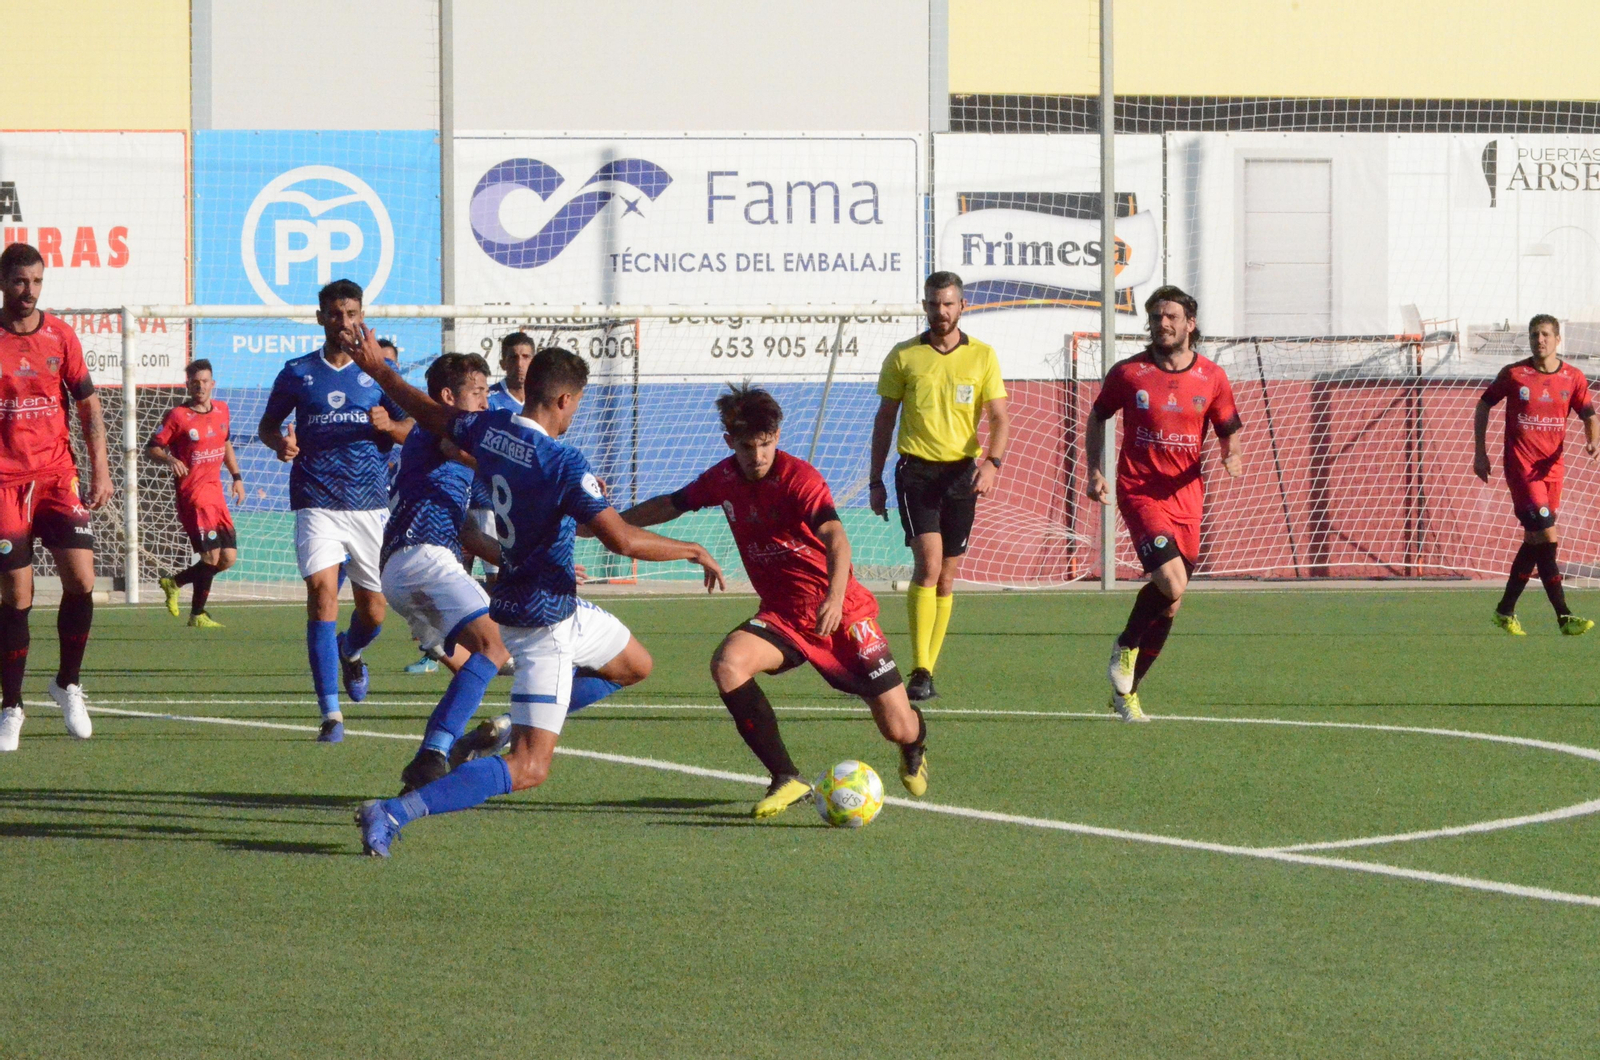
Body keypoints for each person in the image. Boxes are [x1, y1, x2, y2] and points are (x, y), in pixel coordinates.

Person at [348, 336, 724, 857]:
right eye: (579, 404)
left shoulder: (489, 428)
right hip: (541, 623)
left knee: (634, 664)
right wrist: (690, 548)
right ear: (565, 400)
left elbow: (429, 412)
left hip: (554, 603)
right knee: (529, 768)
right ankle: (393, 811)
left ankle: (503, 726)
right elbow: (618, 538)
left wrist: (382, 373)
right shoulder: (562, 462)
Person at [616, 384, 928, 818]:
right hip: (784, 617)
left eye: (765, 444)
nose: (757, 455)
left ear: (777, 436)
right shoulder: (722, 479)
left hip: (843, 613)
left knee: (896, 726)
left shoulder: (800, 479)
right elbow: (671, 504)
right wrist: (608, 524)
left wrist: (834, 598)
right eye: (747, 446)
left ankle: (915, 745)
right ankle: (786, 775)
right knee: (728, 664)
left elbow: (836, 537)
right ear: (730, 442)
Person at [257, 279, 413, 742]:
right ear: (321, 317)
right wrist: (279, 443)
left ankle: (350, 651)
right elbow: (268, 426)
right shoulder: (297, 372)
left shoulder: (381, 372)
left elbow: (415, 426)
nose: (345, 323)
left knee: (376, 611)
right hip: (316, 499)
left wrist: (392, 424)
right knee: (322, 595)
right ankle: (331, 715)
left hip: (370, 504)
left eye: (352, 314)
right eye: (335, 314)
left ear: (361, 315)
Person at [1086, 285, 1243, 721]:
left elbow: (1228, 427)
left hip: (1187, 498)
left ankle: (1127, 694)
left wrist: (1233, 455)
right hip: (1140, 491)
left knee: (1171, 601)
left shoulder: (1211, 377)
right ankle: (1124, 647)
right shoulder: (1129, 373)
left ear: (1190, 323)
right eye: (1156, 317)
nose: (1163, 324)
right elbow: (1099, 414)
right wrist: (1094, 470)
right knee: (1171, 583)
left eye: (1171, 316)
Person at [375, 352, 520, 794]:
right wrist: (536, 473)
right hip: (424, 559)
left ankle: (436, 771)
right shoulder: (439, 430)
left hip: (403, 567)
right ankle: (433, 754)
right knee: (496, 646)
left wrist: (520, 562)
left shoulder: (439, 459)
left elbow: (468, 534)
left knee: (484, 663)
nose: (485, 402)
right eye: (477, 393)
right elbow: (466, 450)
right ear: (446, 397)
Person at [869, 271, 1009, 702]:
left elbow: (1001, 418)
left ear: (962, 306)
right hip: (916, 472)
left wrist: (992, 464)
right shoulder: (904, 356)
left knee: (947, 578)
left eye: (948, 304)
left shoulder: (983, 356)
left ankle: (928, 669)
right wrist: (875, 480)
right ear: (925, 306)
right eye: (933, 304)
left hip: (961, 475)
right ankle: (920, 667)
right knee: (928, 565)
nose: (940, 311)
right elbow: (884, 420)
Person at [0, 242, 112, 752]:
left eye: (37, 282)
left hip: (57, 475)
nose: (29, 291)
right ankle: (12, 707)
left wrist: (101, 470)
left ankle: (67, 684)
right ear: (4, 282)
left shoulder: (60, 336)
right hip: (5, 483)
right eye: (21, 281)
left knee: (82, 580)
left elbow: (88, 406)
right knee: (17, 597)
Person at [1474, 314, 1598, 635]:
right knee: (1548, 537)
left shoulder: (1573, 377)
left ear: (1558, 340)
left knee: (1534, 541)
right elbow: (1484, 404)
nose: (1539, 340)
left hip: (1553, 472)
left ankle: (1505, 610)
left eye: (1544, 334)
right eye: (1534, 335)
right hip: (1522, 470)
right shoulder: (1515, 374)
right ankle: (1564, 616)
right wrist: (1480, 452)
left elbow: (1588, 413)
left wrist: (1592, 438)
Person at [150, 360, 244, 628]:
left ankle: (174, 582)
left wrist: (237, 477)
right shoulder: (178, 416)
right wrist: (169, 460)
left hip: (216, 492)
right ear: (188, 384)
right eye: (194, 382)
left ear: (212, 383)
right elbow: (152, 448)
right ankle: (198, 614)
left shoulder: (223, 410)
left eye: (204, 381)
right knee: (211, 557)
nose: (200, 386)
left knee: (228, 558)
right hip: (193, 494)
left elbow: (225, 443)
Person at [466, 331, 535, 592]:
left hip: (521, 503)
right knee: (474, 573)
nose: (519, 363)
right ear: (503, 362)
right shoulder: (490, 401)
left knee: (508, 577)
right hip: (484, 498)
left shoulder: (541, 401)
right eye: (513, 357)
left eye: (526, 357)